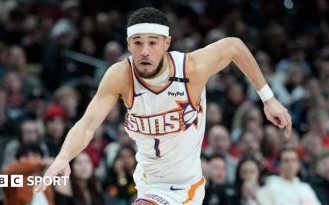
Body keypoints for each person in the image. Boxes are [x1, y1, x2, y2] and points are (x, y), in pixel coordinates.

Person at [36, 7, 292, 204]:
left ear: (167, 43)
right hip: (147, 182)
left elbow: (234, 45)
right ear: (128, 45)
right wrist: (63, 157)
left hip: (186, 186)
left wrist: (268, 99)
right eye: (137, 42)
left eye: (152, 42)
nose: (144, 51)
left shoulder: (191, 68)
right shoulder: (120, 76)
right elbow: (87, 125)